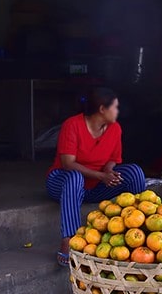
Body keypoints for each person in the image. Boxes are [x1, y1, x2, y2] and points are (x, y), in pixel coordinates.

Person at [46, 88, 146, 265]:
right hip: (63, 182)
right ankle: (70, 240)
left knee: (134, 172)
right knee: (75, 177)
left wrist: (108, 172)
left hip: (94, 187)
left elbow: (114, 159)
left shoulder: (115, 128)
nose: (117, 111)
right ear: (102, 109)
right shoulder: (73, 125)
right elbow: (68, 163)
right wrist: (102, 176)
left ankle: (137, 228)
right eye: (115, 107)